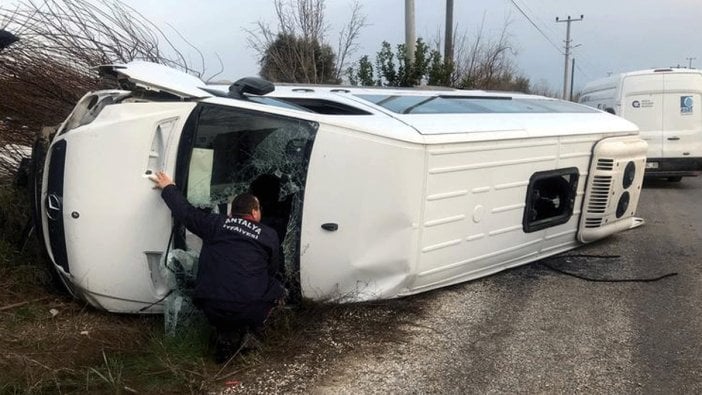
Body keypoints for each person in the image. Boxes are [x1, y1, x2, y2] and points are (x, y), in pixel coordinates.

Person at [150, 171, 284, 363]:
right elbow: (273, 270)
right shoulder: (269, 235)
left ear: (230, 213)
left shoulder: (214, 224)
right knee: (278, 287)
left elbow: (185, 212)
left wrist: (168, 187)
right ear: (255, 212)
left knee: (227, 292)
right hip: (252, 309)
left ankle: (224, 334)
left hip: (210, 307)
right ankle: (251, 333)